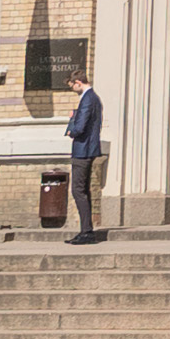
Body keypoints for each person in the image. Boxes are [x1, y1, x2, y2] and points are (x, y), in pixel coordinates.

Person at [59, 72, 105, 245]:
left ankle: (86, 232)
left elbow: (81, 126)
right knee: (83, 190)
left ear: (78, 82)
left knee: (78, 190)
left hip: (83, 150)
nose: (73, 89)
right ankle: (86, 230)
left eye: (72, 86)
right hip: (88, 149)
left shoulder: (87, 99)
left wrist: (72, 129)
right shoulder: (93, 98)